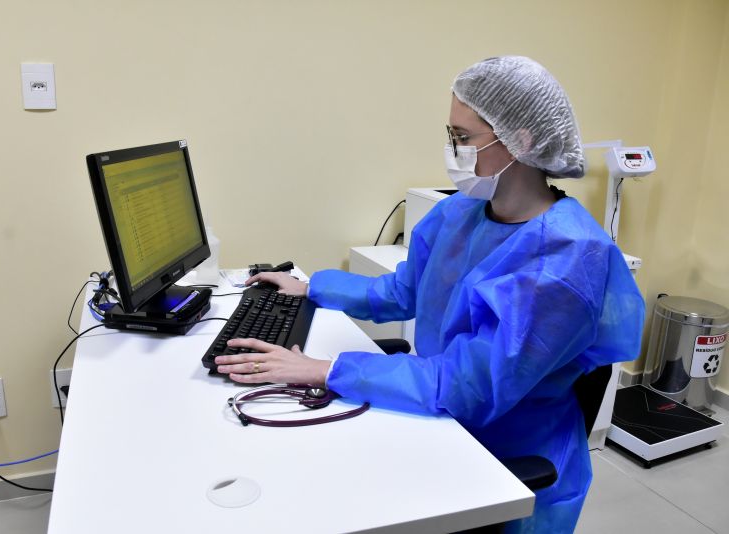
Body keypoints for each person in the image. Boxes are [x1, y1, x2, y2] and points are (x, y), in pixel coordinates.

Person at [214, 56, 645, 533]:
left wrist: (325, 369)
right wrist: (312, 286)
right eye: (451, 136)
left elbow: (471, 386)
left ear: (521, 140)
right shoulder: (461, 214)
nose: (453, 152)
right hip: (443, 421)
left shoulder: (565, 260)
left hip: (507, 462)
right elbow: (401, 292)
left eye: (464, 138)